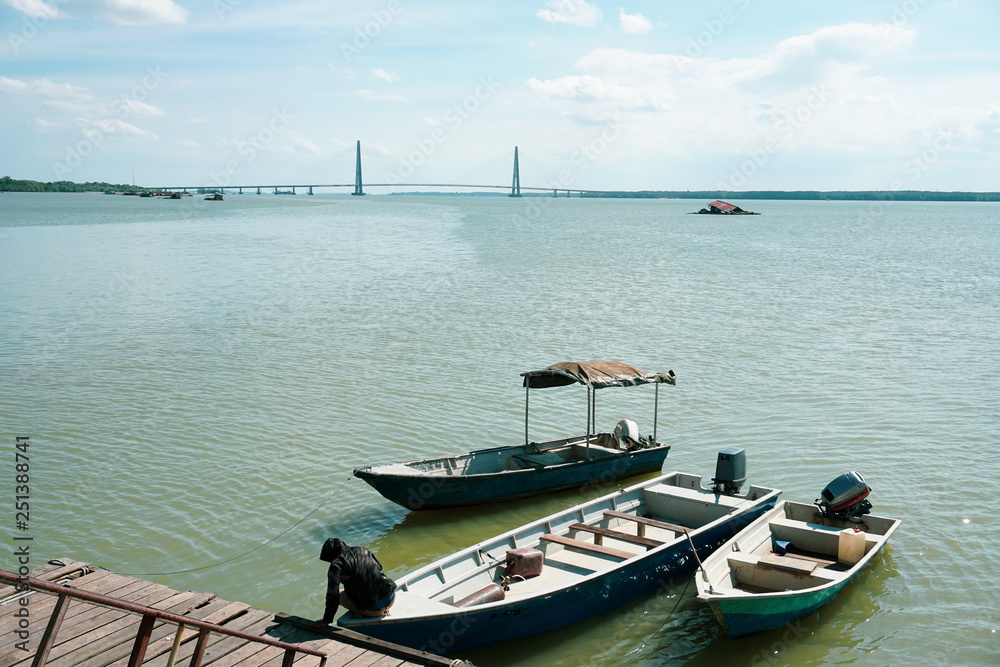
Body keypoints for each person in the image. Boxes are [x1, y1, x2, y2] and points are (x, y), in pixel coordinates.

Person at [309, 538, 396, 629]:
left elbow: (332, 596)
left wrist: (326, 620)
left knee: (338, 594)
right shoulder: (362, 549)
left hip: (375, 609)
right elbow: (380, 568)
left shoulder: (336, 565)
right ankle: (384, 607)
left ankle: (375, 613)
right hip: (391, 595)